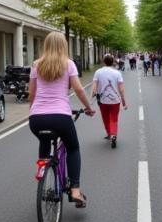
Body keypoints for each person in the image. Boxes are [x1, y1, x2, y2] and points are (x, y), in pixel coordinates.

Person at [28, 32, 96, 209]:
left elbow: (32, 94)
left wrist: (33, 112)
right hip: (60, 116)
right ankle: (75, 190)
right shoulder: (68, 64)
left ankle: (42, 169)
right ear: (63, 46)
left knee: (44, 139)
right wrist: (89, 108)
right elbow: (79, 90)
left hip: (36, 119)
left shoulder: (36, 65)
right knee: (73, 148)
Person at [91, 53, 128, 148]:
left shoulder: (98, 72)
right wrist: (124, 101)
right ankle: (113, 135)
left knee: (105, 118)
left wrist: (92, 97)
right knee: (114, 119)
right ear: (113, 62)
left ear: (104, 61)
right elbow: (121, 89)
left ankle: (109, 133)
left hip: (103, 100)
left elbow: (94, 87)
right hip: (115, 100)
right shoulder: (117, 73)